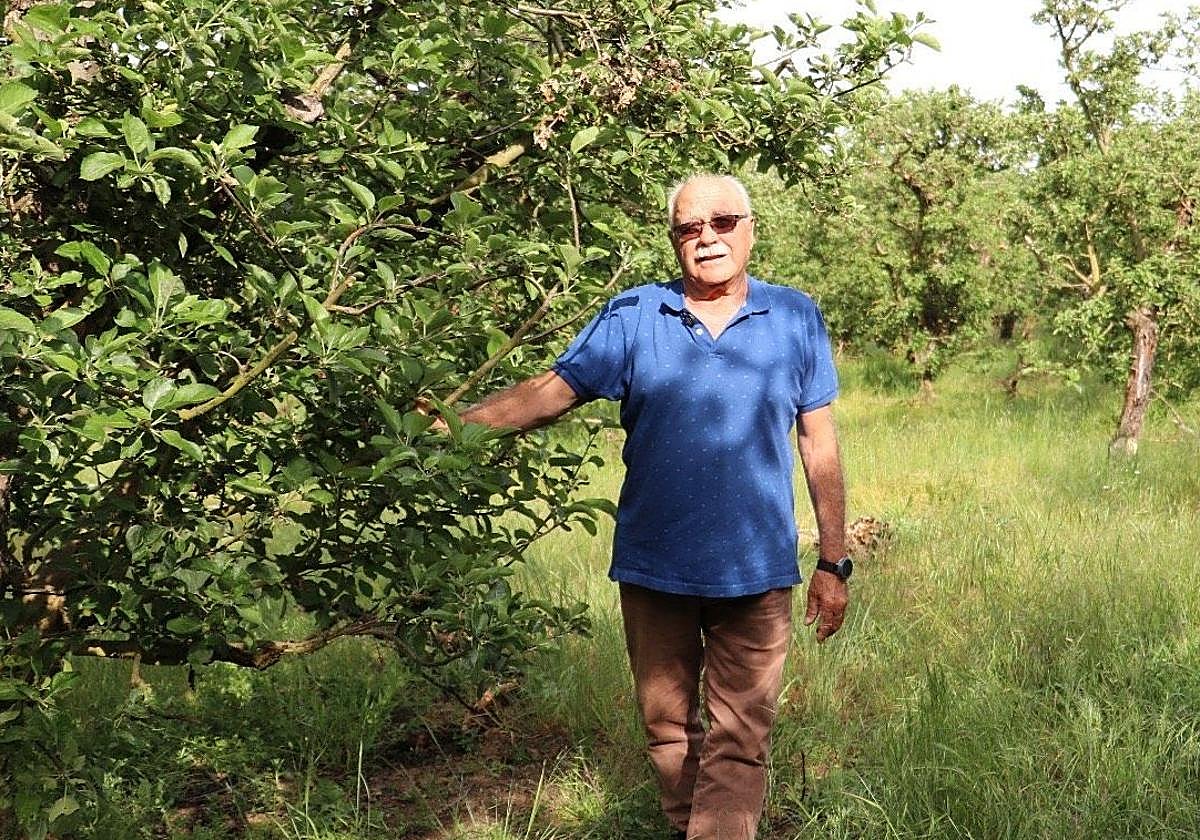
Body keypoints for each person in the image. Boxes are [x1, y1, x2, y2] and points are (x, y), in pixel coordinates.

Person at [447, 174, 850, 839]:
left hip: (756, 572)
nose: (707, 238)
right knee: (668, 733)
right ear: (674, 242)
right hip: (655, 567)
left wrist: (834, 560)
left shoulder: (795, 316)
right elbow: (550, 393)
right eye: (690, 228)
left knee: (739, 739)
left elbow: (819, 439)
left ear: (750, 227)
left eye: (722, 222)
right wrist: (449, 428)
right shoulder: (634, 315)